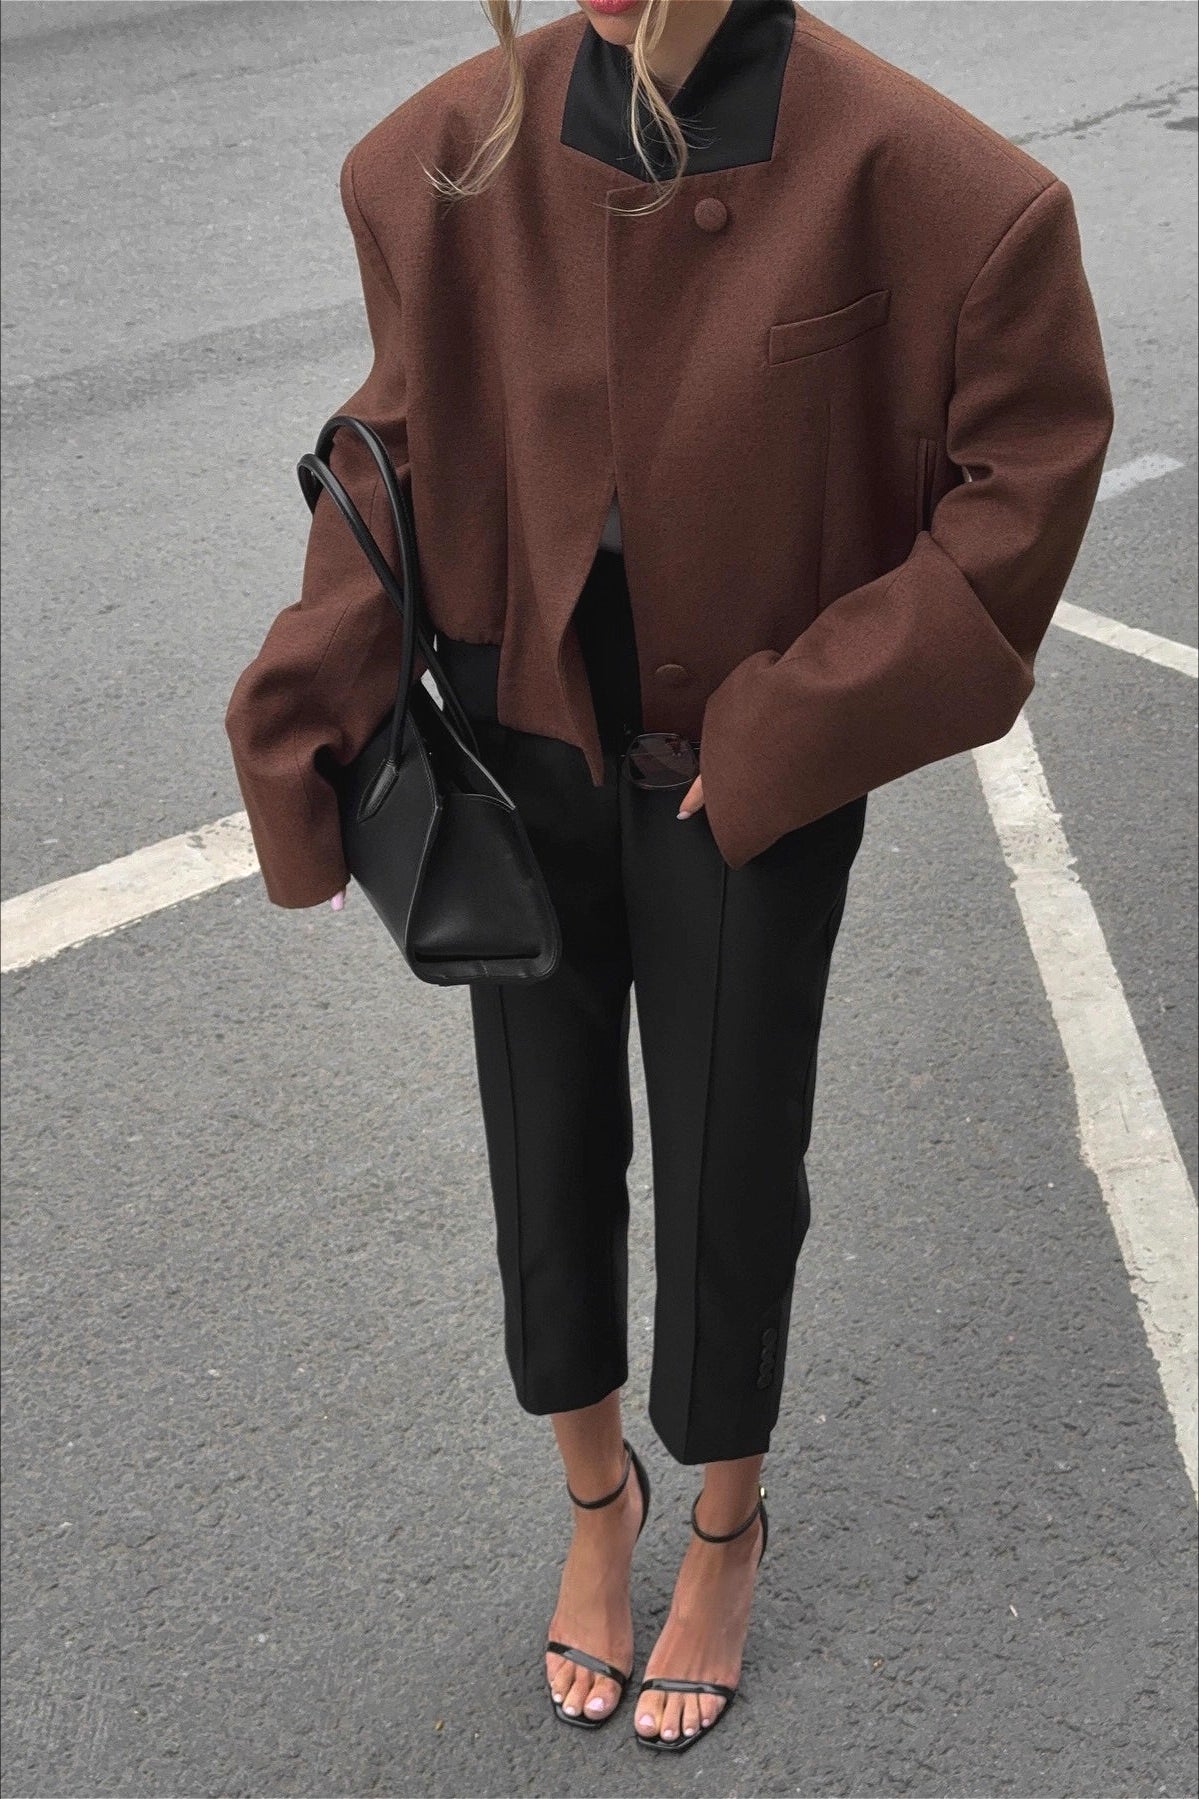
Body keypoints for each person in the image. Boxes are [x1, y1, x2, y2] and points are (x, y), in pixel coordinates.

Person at [223, 0, 1114, 1754]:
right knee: (542, 1142)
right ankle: (594, 1500)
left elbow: (1022, 490)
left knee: (732, 1153)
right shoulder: (450, 151)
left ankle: (724, 1523)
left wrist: (798, 728)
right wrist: (304, 724)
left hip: (749, 763)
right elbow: (398, 445)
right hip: (519, 726)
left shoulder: (930, 178)